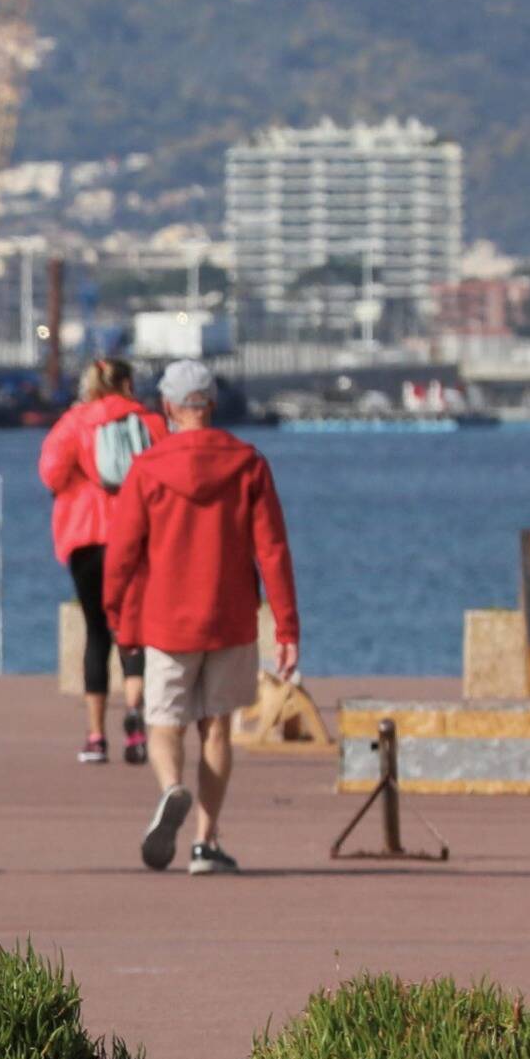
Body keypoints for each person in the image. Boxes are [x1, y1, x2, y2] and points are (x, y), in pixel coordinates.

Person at [104, 359, 299, 875]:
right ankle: (205, 844)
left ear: (167, 407)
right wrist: (286, 628)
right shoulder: (248, 463)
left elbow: (122, 552)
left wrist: (116, 615)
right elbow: (273, 551)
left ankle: (172, 788)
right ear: (209, 405)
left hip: (166, 618)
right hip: (230, 615)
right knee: (216, 729)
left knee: (163, 722)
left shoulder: (147, 469)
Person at [39, 357, 166, 764]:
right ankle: (135, 720)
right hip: (136, 536)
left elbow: (51, 475)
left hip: (86, 538)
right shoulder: (149, 423)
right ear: (127, 383)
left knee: (96, 629)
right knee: (134, 627)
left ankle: (95, 735)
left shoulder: (74, 423)